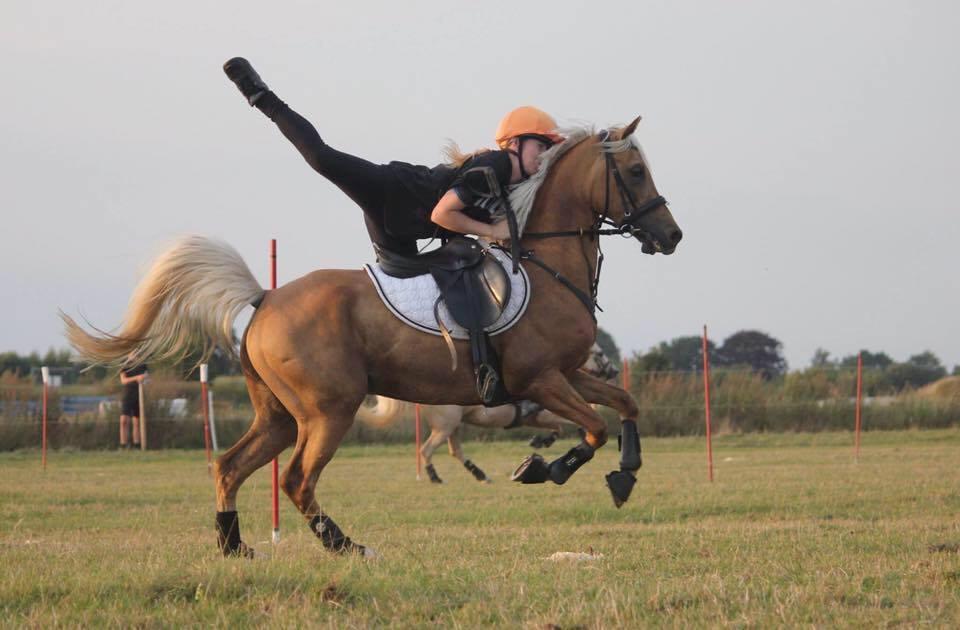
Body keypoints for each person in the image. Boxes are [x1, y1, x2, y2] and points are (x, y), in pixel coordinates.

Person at [222, 57, 563, 257]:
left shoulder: (521, 182)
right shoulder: (497, 165)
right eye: (542, 145)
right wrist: (488, 232)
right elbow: (443, 213)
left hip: (401, 229)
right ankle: (262, 97)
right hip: (391, 191)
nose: (545, 155)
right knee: (323, 159)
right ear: (515, 143)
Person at [119, 362, 148, 449]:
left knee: (137, 421)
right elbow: (123, 380)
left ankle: (137, 445)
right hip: (127, 395)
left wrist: (144, 379)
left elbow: (147, 378)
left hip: (139, 395)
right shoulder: (124, 364)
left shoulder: (143, 364)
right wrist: (136, 378)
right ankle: (123, 445)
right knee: (124, 421)